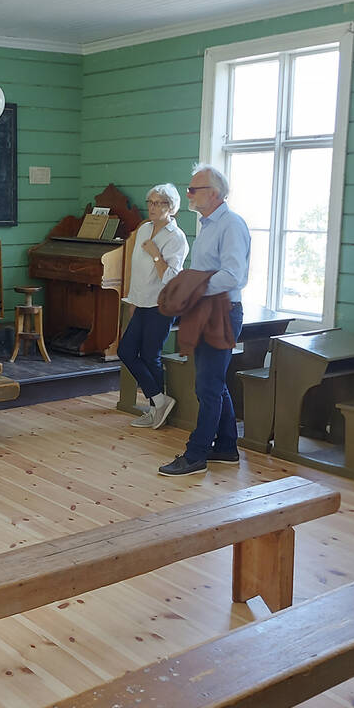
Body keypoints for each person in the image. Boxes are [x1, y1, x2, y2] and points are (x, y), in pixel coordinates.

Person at [158, 164, 250, 476]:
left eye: (193, 189)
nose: (189, 194)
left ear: (213, 193)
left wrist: (193, 288)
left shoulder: (231, 225)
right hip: (206, 310)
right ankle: (226, 447)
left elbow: (234, 275)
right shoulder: (209, 225)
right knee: (212, 382)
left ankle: (196, 455)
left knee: (207, 386)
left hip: (221, 311)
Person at [118, 184, 189, 429]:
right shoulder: (144, 229)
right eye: (150, 202)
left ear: (171, 208)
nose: (153, 207)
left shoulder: (176, 237)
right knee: (125, 351)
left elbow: (171, 277)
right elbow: (136, 269)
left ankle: (155, 409)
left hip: (162, 304)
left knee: (150, 356)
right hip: (142, 301)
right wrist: (133, 300)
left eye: (159, 203)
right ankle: (160, 401)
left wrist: (156, 254)